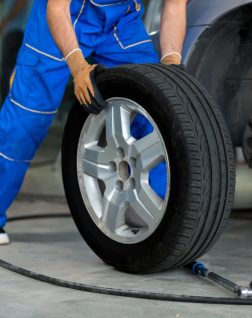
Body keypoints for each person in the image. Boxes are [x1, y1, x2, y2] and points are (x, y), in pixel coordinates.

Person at [0, 0, 187, 244]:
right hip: (64, 14)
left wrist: (171, 62)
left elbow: (174, 5)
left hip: (121, 22)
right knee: (26, 120)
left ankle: (168, 218)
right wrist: (78, 67)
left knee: (154, 105)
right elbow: (57, 9)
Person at [0, 0, 32, 102]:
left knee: (9, 70)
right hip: (13, 32)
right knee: (8, 69)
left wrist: (5, 21)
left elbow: (21, 3)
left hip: (16, 32)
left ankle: (8, 104)